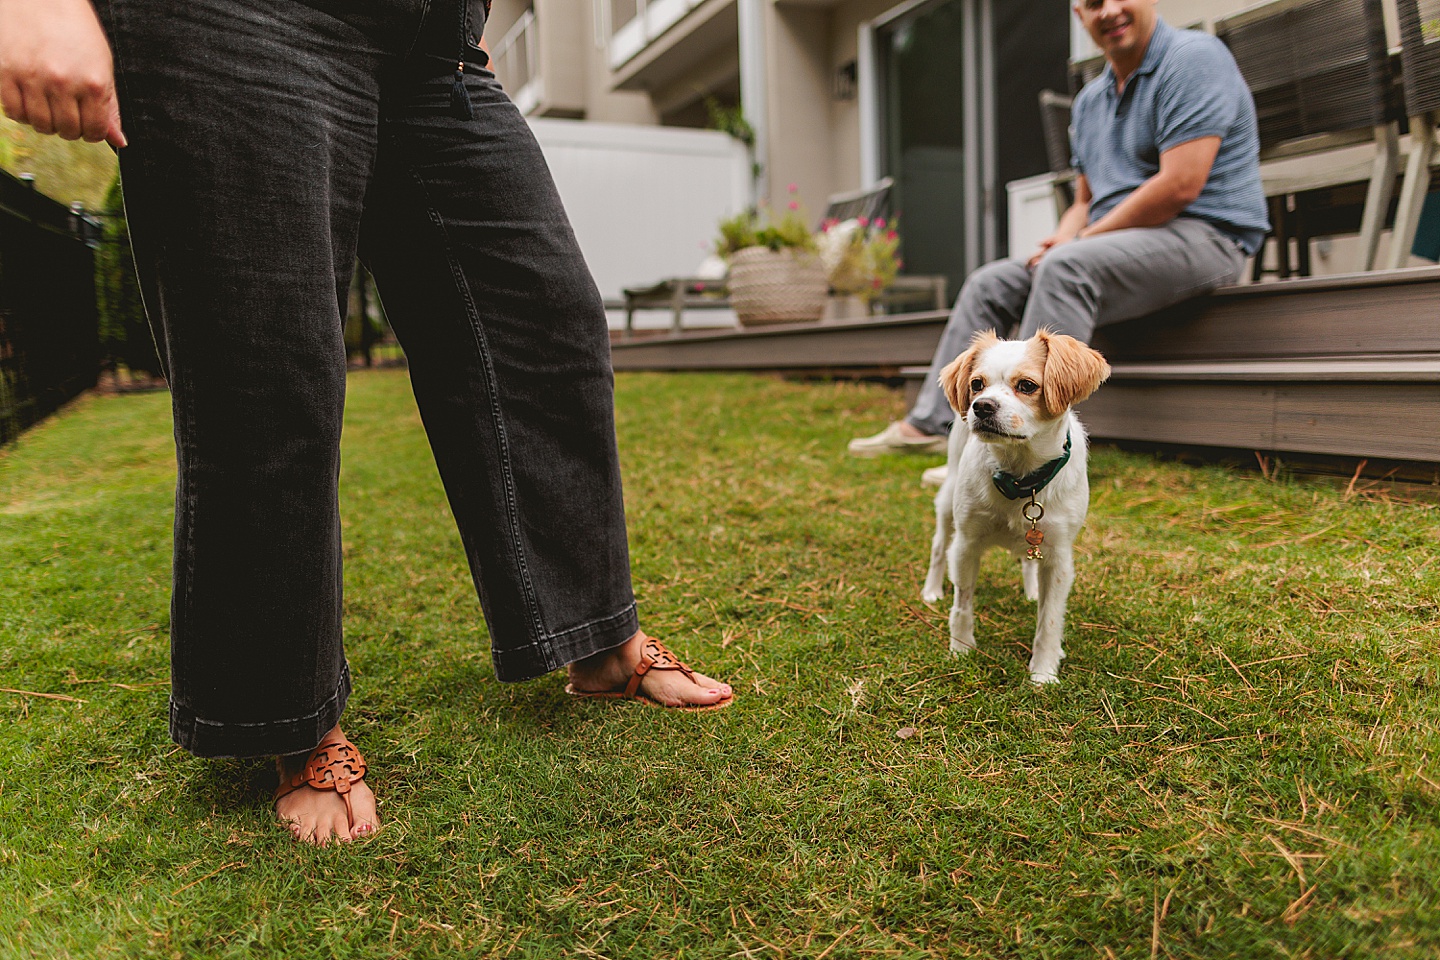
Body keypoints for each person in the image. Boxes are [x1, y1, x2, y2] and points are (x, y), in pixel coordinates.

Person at [0, 0, 732, 846]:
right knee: (268, 371)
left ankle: (596, 637)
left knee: (544, 323)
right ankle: (291, 719)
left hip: (434, 44)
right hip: (239, 20)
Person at [848, 0, 1268, 483]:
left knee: (1067, 268)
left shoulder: (1193, 59)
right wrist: (1064, 236)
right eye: (1092, 3)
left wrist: (1079, 243)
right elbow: (1084, 200)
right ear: (1078, 15)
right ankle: (934, 424)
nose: (1108, 11)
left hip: (1207, 234)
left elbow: (1180, 185)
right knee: (991, 281)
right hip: (1114, 242)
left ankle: (1022, 437)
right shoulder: (1091, 101)